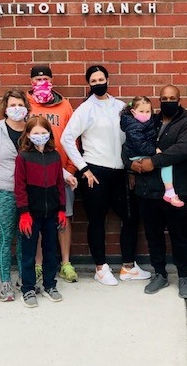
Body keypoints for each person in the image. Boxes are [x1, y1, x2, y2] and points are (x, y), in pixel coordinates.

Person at [62, 65, 149, 285]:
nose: (98, 83)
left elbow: (128, 138)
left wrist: (130, 168)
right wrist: (83, 168)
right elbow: (66, 138)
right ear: (89, 84)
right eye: (93, 81)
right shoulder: (85, 109)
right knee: (97, 221)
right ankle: (100, 268)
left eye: (101, 79)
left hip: (120, 171)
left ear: (108, 79)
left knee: (131, 217)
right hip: (95, 172)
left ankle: (128, 266)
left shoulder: (120, 107)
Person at [124, 85, 187, 299]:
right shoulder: (150, 121)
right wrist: (131, 165)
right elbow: (129, 144)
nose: (168, 101)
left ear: (179, 99)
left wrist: (152, 162)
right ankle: (160, 274)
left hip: (175, 191)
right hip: (147, 191)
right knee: (153, 236)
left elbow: (182, 150)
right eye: (164, 98)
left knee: (180, 236)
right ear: (159, 100)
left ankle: (183, 276)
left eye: (172, 98)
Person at [26, 65, 78, 284]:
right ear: (31, 83)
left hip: (62, 172)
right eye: (37, 80)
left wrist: (71, 168)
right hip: (34, 172)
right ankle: (38, 264)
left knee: (64, 217)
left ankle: (65, 262)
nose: (42, 83)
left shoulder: (64, 105)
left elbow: (73, 136)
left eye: (46, 78)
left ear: (52, 81)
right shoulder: (25, 103)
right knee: (37, 218)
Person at [0, 91, 35, 301]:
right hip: (4, 190)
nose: (16, 108)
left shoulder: (32, 128)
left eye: (20, 104)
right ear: (5, 108)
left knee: (26, 237)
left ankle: (25, 279)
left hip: (29, 191)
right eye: (12, 104)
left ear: (26, 107)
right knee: (6, 238)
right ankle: (5, 281)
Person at [15, 116, 67, 307]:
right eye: (36, 133)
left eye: (43, 132)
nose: (40, 136)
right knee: (28, 253)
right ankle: (28, 288)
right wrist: (24, 212)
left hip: (51, 213)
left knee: (51, 250)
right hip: (31, 214)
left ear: (49, 134)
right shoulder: (23, 157)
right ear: (28, 135)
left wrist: (62, 209)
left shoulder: (55, 156)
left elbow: (60, 184)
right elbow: (19, 186)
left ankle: (49, 285)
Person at [121, 96, 184, 207]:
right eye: (141, 111)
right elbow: (139, 144)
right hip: (137, 154)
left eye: (148, 111)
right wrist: (154, 150)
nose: (145, 114)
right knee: (165, 163)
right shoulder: (133, 126)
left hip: (140, 152)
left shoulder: (146, 122)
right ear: (133, 112)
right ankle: (170, 192)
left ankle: (169, 192)